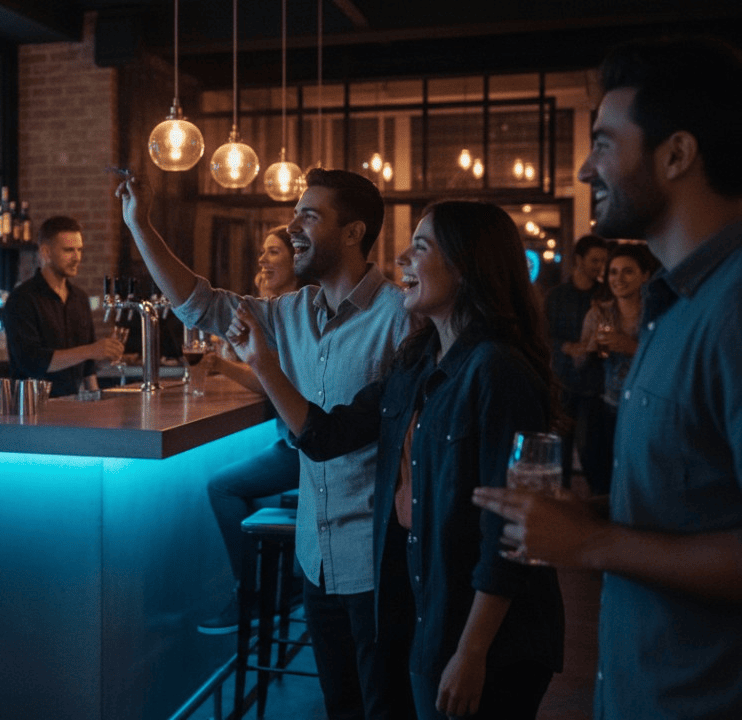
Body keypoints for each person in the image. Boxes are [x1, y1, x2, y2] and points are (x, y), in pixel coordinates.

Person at [473, 36, 742, 720]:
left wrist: (591, 543)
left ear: (677, 154)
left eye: (603, 143)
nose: (586, 168)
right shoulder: (670, 305)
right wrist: (591, 516)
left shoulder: (732, 307)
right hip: (638, 688)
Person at [230, 201, 565, 720]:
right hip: (431, 610)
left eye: (422, 246)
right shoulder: (417, 360)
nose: (403, 257)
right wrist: (263, 365)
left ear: (465, 267)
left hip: (488, 634)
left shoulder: (498, 371)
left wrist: (472, 652)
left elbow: (511, 533)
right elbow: (326, 435)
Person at [118, 170, 416, 720]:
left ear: (353, 233)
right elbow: (199, 305)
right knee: (341, 707)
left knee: (387, 707)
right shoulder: (291, 312)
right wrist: (140, 225)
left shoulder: (399, 316)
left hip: (378, 562)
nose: (293, 225)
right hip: (315, 554)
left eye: (310, 215)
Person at [197, 227, 309, 634]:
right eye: (261, 251)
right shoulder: (281, 310)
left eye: (272, 251)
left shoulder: (293, 313)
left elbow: (273, 381)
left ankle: (256, 593)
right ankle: (285, 584)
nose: (262, 259)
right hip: (301, 442)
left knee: (222, 487)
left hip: (304, 446)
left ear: (296, 260)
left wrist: (223, 365)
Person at [3, 215, 124, 397]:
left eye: (79, 250)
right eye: (69, 250)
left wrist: (96, 396)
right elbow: (32, 361)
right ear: (46, 252)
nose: (77, 258)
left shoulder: (80, 298)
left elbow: (87, 369)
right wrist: (91, 350)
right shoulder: (21, 299)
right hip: (32, 410)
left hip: (73, 408)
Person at [574, 241, 659, 495]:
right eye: (613, 271)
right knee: (602, 480)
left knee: (641, 483)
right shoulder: (599, 314)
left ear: (645, 275)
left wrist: (630, 346)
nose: (618, 278)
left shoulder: (657, 313)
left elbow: (671, 362)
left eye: (628, 271)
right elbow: (579, 363)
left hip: (647, 409)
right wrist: (587, 348)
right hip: (607, 406)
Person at [544, 234, 608, 488]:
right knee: (559, 447)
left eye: (603, 261)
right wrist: (567, 347)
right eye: (594, 260)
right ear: (579, 260)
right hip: (563, 380)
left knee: (591, 449)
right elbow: (545, 334)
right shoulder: (557, 296)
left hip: (595, 383)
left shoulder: (605, 294)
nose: (599, 266)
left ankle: (597, 508)